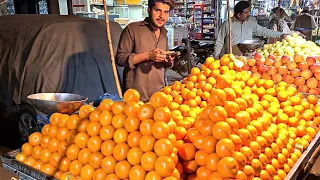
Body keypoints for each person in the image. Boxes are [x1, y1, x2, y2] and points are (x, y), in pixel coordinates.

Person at [116, 0, 176, 102]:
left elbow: (161, 66)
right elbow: (120, 59)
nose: (162, 16)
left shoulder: (164, 35)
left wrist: (168, 61)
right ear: (149, 10)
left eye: (166, 12)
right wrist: (148, 55)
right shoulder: (132, 29)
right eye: (158, 10)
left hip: (159, 95)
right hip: (135, 98)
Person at [214, 1, 287, 59]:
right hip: (230, 58)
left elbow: (263, 31)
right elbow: (219, 42)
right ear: (239, 15)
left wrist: (280, 34)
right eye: (246, 12)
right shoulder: (227, 24)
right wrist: (216, 57)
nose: (249, 14)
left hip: (247, 58)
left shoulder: (251, 22)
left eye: (249, 11)